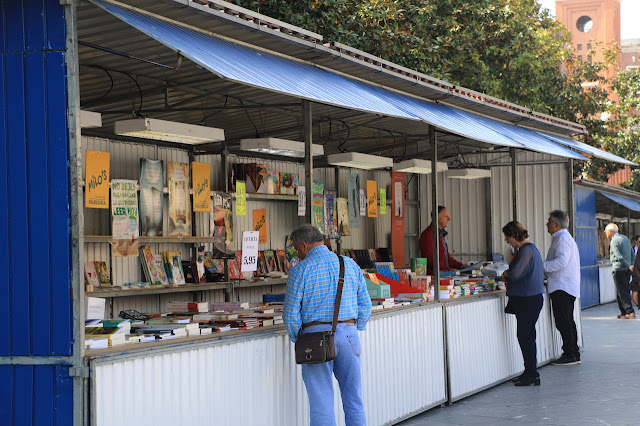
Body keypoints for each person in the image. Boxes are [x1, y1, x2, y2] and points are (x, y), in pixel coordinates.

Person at [284, 224, 372, 426]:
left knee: (321, 403)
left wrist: (298, 337)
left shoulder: (301, 271)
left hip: (314, 340)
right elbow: (365, 305)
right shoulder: (349, 264)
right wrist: (354, 328)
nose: (297, 253)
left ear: (304, 245)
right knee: (354, 399)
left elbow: (290, 315)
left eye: (297, 249)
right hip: (349, 337)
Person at [500, 221, 544, 386]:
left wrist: (505, 274)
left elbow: (516, 274)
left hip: (527, 299)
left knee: (525, 336)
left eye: (507, 237)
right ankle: (529, 371)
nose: (507, 241)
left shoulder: (525, 251)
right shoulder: (532, 249)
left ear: (513, 235)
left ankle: (531, 373)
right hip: (532, 298)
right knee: (528, 335)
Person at [543, 210, 581, 365]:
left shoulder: (563, 239)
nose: (547, 224)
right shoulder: (562, 238)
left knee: (564, 321)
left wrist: (541, 266)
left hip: (562, 286)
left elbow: (561, 261)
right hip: (564, 285)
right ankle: (573, 352)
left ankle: (570, 354)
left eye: (549, 221)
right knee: (567, 321)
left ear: (556, 225)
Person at [419, 206, 468, 274]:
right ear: (437, 217)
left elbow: (446, 258)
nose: (449, 219)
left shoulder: (440, 234)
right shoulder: (428, 234)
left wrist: (460, 265)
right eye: (446, 216)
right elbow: (430, 259)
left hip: (443, 274)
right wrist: (448, 269)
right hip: (436, 277)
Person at [605, 223, 636, 319]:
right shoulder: (625, 238)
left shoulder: (614, 241)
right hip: (627, 269)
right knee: (622, 290)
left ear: (610, 232)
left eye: (606, 232)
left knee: (621, 291)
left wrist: (627, 265)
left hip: (619, 268)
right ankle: (623, 312)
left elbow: (618, 255)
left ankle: (629, 311)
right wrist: (631, 265)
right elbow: (632, 252)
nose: (606, 234)